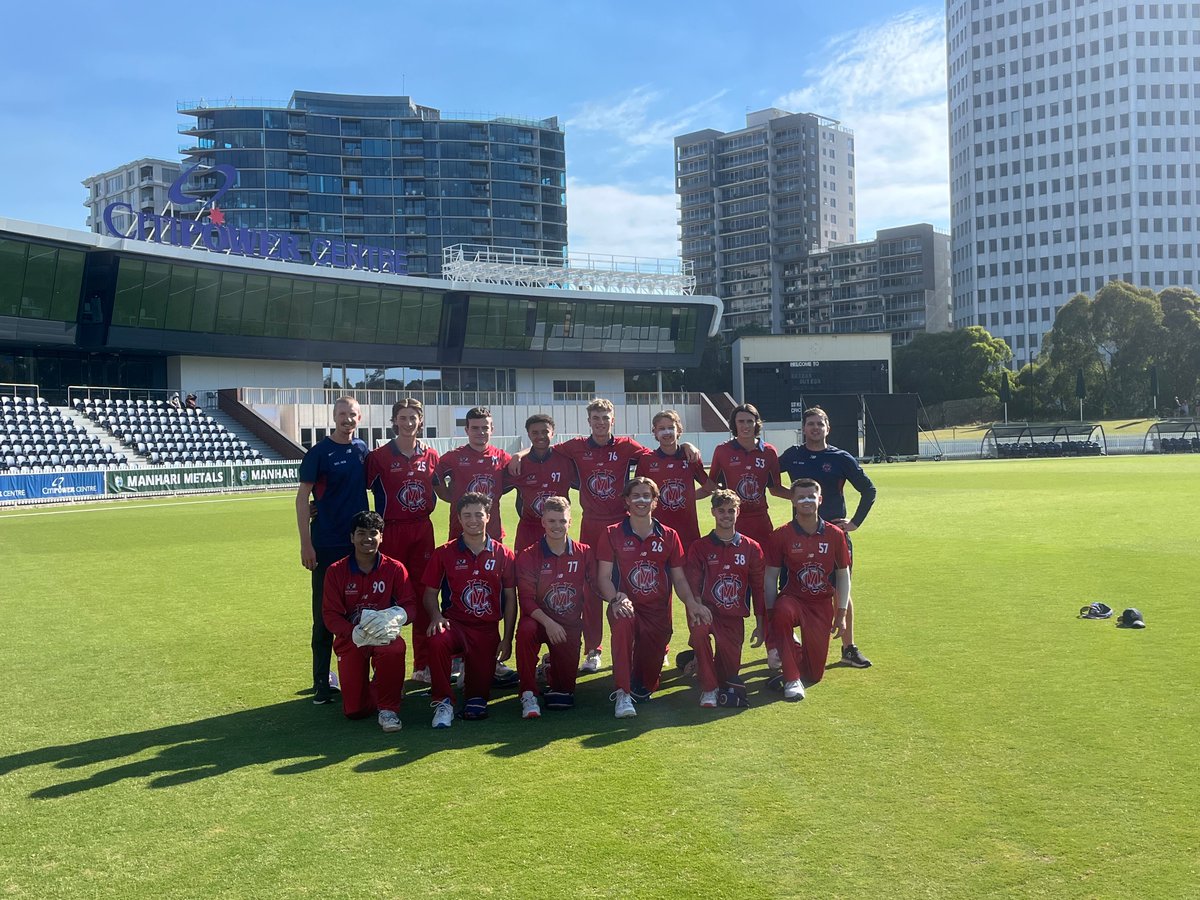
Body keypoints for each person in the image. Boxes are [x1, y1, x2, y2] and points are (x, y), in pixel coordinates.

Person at [597, 477, 708, 718]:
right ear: (626, 501)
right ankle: (622, 693)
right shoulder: (612, 533)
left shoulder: (669, 535)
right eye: (635, 495)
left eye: (647, 496)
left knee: (646, 687)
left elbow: (679, 579)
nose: (641, 500)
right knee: (624, 623)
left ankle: (637, 683)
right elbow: (603, 577)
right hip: (626, 606)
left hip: (658, 613)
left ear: (655, 501)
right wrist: (616, 598)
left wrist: (692, 604)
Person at [776, 405, 875, 669]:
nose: (815, 428)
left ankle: (848, 647)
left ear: (827, 428)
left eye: (820, 424)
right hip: (798, 535)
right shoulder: (793, 456)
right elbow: (769, 481)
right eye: (810, 424)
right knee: (790, 589)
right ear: (803, 429)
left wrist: (854, 523)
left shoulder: (841, 458)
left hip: (833, 534)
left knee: (842, 588)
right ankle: (789, 642)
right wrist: (799, 499)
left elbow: (869, 489)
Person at [421, 492, 518, 728]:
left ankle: (472, 681)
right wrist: (436, 616)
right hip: (455, 625)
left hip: (486, 630)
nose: (473, 520)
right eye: (467, 515)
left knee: (477, 702)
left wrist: (506, 639)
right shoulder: (444, 552)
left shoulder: (504, 554)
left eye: (478, 514)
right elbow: (430, 593)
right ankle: (443, 701)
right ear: (459, 519)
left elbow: (510, 598)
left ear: (488, 517)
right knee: (437, 639)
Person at [297, 396, 368, 704]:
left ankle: (358, 677)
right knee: (325, 615)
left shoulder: (363, 450)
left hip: (361, 546)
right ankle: (321, 683)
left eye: (352, 414)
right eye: (342, 414)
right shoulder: (318, 453)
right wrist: (305, 543)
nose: (347, 419)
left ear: (359, 418)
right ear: (334, 417)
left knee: (363, 610)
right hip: (326, 544)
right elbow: (302, 499)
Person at [321, 511, 417, 732]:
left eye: (374, 533)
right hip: (353, 639)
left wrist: (397, 615)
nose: (368, 539)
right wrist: (352, 632)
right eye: (361, 533)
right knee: (354, 711)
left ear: (382, 537)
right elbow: (330, 615)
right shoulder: (336, 571)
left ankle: (389, 708)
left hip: (383, 636)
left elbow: (411, 606)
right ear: (352, 537)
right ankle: (384, 686)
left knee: (395, 648)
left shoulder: (395, 568)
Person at [366, 398, 440, 683]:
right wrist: (318, 504)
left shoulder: (431, 455)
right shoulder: (379, 457)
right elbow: (351, 488)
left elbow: (444, 489)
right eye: (403, 417)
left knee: (425, 596)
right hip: (391, 531)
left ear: (420, 421)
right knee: (386, 596)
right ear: (394, 420)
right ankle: (383, 664)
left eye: (414, 418)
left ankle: (422, 666)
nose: (408, 423)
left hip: (423, 530)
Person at [765, 479, 851, 701]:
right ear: (792, 500)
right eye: (801, 497)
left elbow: (843, 574)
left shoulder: (835, 534)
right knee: (782, 611)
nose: (806, 501)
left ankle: (792, 649)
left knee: (814, 675)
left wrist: (840, 615)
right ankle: (791, 678)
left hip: (821, 603)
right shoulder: (781, 534)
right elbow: (771, 575)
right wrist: (770, 615)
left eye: (811, 496)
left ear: (819, 500)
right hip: (793, 599)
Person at [514, 496, 595, 718]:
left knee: (564, 695)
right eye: (551, 521)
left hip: (568, 626)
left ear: (570, 522)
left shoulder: (584, 553)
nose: (557, 526)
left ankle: (550, 668)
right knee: (526, 630)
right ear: (543, 522)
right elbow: (527, 601)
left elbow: (597, 588)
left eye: (562, 521)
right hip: (540, 622)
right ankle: (528, 692)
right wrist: (549, 623)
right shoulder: (529, 555)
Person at [683, 490, 765, 708]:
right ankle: (708, 690)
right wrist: (698, 607)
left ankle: (700, 664)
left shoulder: (751, 547)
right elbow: (693, 583)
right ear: (713, 512)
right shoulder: (699, 546)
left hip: (733, 618)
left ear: (738, 512)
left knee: (728, 675)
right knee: (700, 629)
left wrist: (760, 624)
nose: (726, 515)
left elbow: (758, 589)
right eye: (721, 511)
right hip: (708, 612)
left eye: (731, 511)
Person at [634, 409, 714, 549]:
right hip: (657, 532)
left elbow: (709, 488)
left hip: (688, 533)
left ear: (679, 430)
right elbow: (637, 495)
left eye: (671, 427)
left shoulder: (690, 457)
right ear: (654, 432)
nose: (667, 432)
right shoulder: (647, 460)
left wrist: (687, 497)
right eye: (662, 428)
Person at [708, 402, 782, 549]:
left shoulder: (769, 452)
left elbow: (776, 488)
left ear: (756, 423)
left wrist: (805, 497)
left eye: (750, 421)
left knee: (763, 565)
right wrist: (688, 497)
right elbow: (711, 485)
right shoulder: (723, 450)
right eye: (741, 421)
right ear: (734, 424)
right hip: (733, 518)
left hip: (760, 519)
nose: (745, 425)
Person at [433, 406, 512, 542]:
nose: (480, 432)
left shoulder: (502, 457)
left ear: (491, 429)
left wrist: (518, 456)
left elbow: (515, 479)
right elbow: (434, 477)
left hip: (492, 531)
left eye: (485, 428)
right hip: (460, 530)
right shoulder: (453, 457)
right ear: (466, 430)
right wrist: (448, 496)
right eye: (475, 428)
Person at [504, 414, 577, 555]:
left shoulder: (565, 461)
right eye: (535, 433)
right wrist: (517, 456)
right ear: (528, 434)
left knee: (556, 573)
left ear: (553, 433)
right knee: (524, 573)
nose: (540, 436)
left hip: (556, 528)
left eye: (545, 432)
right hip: (529, 529)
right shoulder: (519, 464)